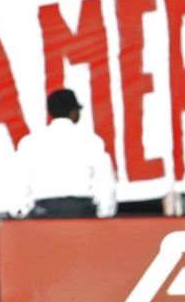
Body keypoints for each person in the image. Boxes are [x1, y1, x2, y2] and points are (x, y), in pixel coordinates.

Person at [16, 89, 117, 218]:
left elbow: (20, 183)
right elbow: (105, 182)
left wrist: (20, 213)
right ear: (73, 112)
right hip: (82, 213)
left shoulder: (29, 142)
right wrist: (104, 214)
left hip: (43, 213)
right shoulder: (91, 141)